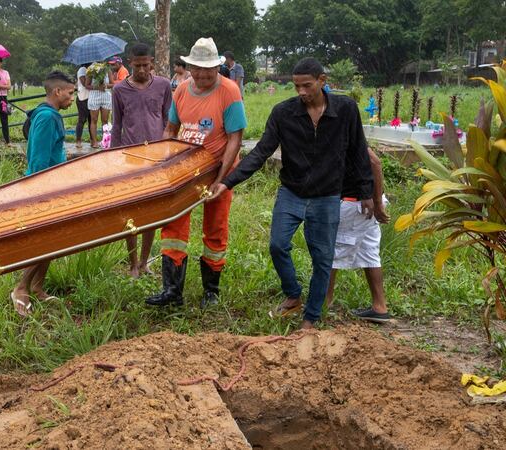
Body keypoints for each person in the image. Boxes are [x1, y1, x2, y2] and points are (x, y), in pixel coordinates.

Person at [211, 57, 374, 329]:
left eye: (307, 86)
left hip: (327, 195)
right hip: (292, 192)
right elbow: (261, 152)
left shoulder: (345, 109)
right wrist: (227, 182)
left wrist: (366, 191)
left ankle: (310, 318)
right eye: (296, 86)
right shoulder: (283, 113)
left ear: (322, 82)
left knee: (322, 258)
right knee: (277, 245)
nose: (301, 92)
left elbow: (359, 151)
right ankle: (293, 295)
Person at [146, 37, 247, 309]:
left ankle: (211, 292)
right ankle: (172, 291)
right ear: (189, 67)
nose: (202, 75)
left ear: (217, 68)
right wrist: (167, 160)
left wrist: (221, 179)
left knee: (215, 228)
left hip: (217, 168)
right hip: (184, 170)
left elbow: (235, 137)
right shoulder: (180, 91)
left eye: (208, 70)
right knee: (174, 224)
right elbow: (170, 128)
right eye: (197, 69)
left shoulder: (229, 91)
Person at [10, 71, 76, 316]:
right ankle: (21, 287)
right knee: (47, 240)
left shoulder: (50, 115)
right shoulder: (47, 117)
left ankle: (37, 287)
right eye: (70, 93)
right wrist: (41, 190)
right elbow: (38, 159)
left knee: (53, 237)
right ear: (57, 92)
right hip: (43, 187)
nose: (72, 98)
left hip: (53, 183)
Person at [112, 43, 172, 278]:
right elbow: (117, 125)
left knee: (152, 213)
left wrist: (169, 150)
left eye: (146, 65)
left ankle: (145, 261)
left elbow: (169, 119)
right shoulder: (119, 90)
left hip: (156, 158)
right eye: (137, 66)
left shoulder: (163, 85)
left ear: (152, 64)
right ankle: (132, 264)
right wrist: (113, 157)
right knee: (131, 213)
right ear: (130, 64)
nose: (142, 70)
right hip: (130, 158)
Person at [325, 148, 391, 322]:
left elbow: (375, 162)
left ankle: (323, 305)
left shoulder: (342, 128)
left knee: (332, 252)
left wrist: (376, 202)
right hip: (364, 203)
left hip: (357, 203)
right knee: (369, 252)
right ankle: (380, 307)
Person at [85, 61, 115, 149]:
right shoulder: (90, 70)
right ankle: (94, 141)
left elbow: (112, 84)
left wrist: (105, 86)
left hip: (106, 96)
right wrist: (97, 87)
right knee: (94, 120)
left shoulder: (107, 69)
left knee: (105, 120)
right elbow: (87, 85)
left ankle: (105, 141)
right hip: (94, 96)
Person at [75, 63, 93, 148]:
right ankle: (78, 140)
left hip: (91, 97)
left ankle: (92, 139)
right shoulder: (82, 69)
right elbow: (84, 84)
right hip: (83, 98)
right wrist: (90, 74)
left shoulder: (91, 69)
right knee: (82, 120)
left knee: (92, 120)